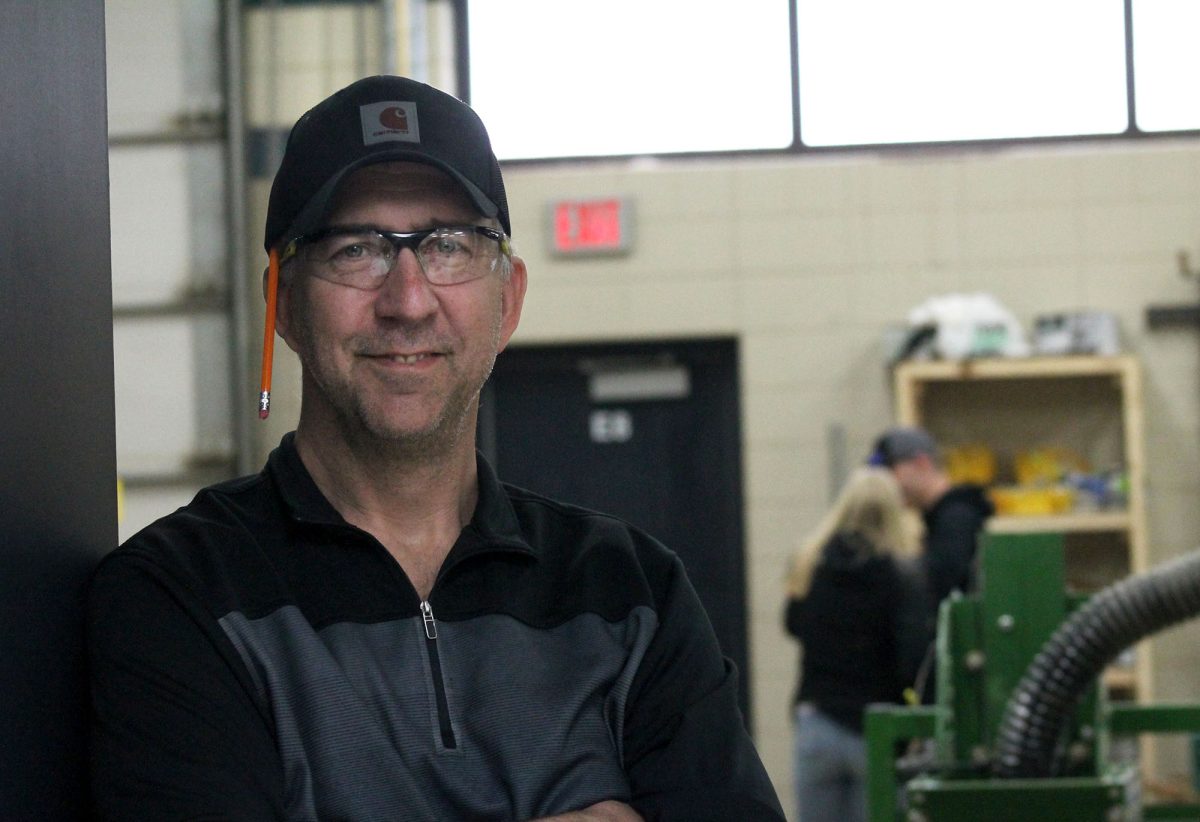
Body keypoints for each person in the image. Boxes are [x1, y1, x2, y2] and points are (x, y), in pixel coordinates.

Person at [86, 75, 784, 822]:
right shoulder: (178, 598)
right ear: (283, 302)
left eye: (448, 246)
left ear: (508, 299)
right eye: (357, 249)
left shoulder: (631, 594)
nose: (408, 300)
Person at [783, 467, 928, 822]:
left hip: (817, 721)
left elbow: (792, 624)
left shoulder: (810, 562)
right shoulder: (903, 574)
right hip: (875, 730)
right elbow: (912, 660)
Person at [868, 426, 994, 608]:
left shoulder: (957, 519)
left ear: (921, 463)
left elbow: (943, 588)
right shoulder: (943, 517)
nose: (888, 484)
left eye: (891, 472)